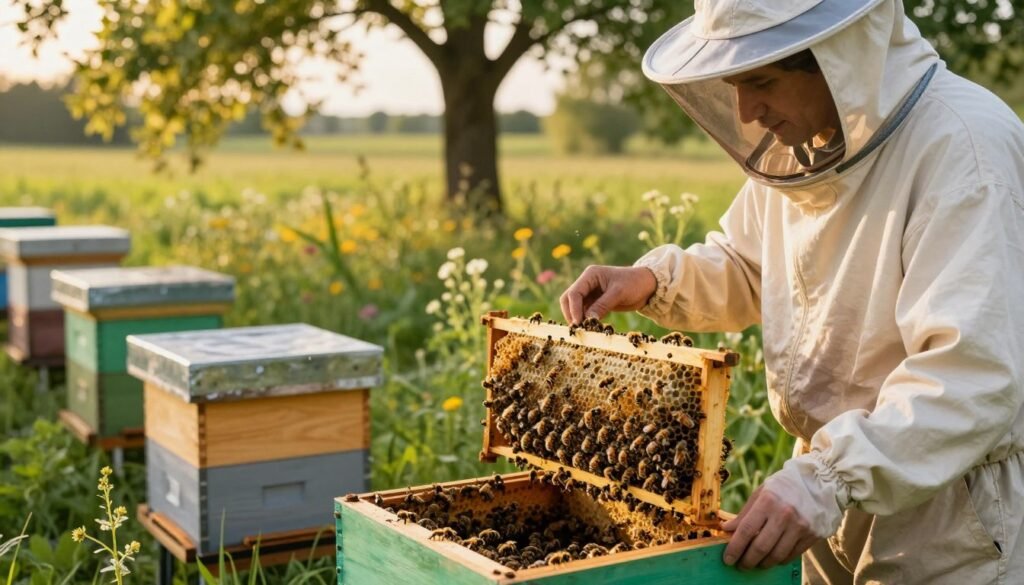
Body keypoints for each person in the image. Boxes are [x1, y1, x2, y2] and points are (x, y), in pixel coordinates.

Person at [559, 0, 1024, 583]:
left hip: (944, 508)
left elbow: (971, 376)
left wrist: (828, 478)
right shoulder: (813, 142)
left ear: (839, 60)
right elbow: (752, 266)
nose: (746, 111)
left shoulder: (965, 149)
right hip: (832, 485)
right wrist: (652, 280)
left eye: (762, 82)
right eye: (734, 84)